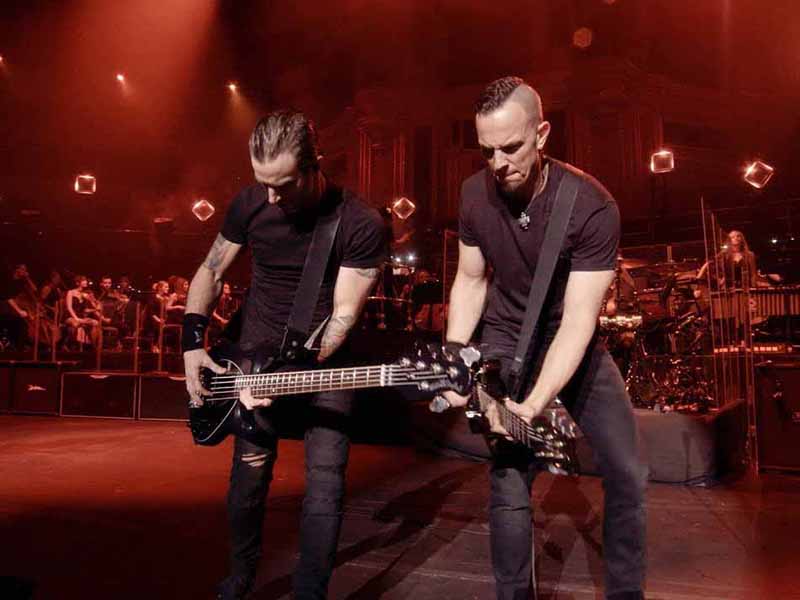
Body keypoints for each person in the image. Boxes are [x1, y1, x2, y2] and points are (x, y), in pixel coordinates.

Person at [440, 77, 647, 600]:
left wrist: (533, 405)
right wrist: (455, 359)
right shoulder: (473, 194)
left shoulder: (591, 206)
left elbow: (578, 321)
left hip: (573, 346)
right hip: (506, 340)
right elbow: (470, 280)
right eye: (487, 150)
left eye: (511, 147)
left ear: (542, 134)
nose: (498, 163)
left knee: (627, 472)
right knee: (510, 476)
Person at [182, 110, 385, 600]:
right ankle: (240, 576)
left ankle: (310, 591)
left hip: (325, 366)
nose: (272, 197)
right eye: (263, 183)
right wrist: (192, 344)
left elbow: (343, 316)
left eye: (284, 185)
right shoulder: (251, 204)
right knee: (249, 476)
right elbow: (211, 271)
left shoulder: (360, 222)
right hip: (251, 359)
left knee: (325, 482)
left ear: (316, 164)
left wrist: (283, 374)